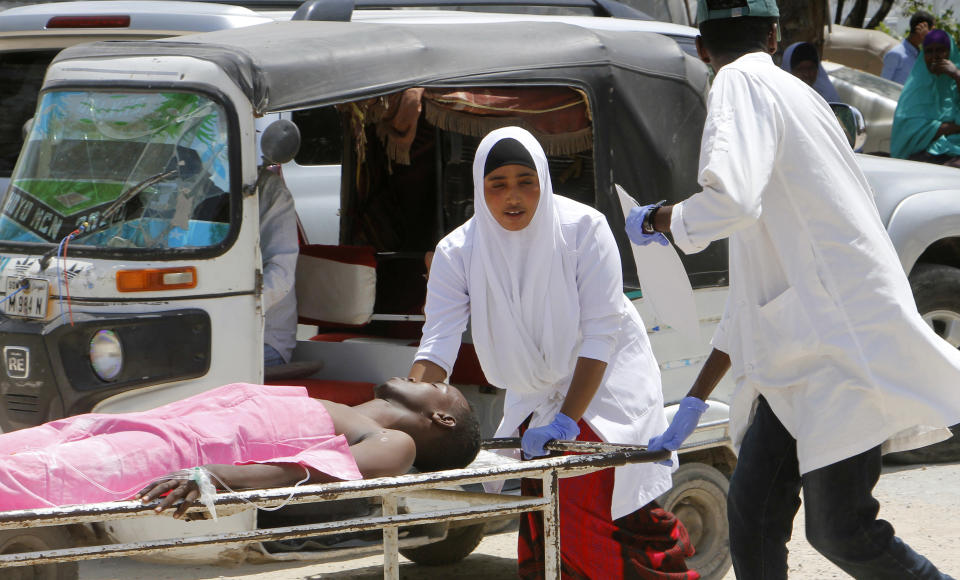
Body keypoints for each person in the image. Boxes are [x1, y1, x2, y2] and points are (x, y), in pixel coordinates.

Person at [625, 1, 960, 578]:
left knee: (841, 530)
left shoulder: (738, 83)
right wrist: (697, 398)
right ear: (776, 35)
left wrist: (663, 221)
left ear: (702, 49)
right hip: (800, 361)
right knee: (751, 517)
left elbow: (730, 199)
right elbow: (755, 300)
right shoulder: (800, 96)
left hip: (835, 356)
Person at [409, 126, 697, 579]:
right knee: (550, 523)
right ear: (479, 188)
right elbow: (438, 342)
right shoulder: (457, 250)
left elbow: (602, 334)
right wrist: (408, 412)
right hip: (533, 394)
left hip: (604, 388)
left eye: (526, 180)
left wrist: (566, 421)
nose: (513, 196)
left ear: (545, 178)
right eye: (497, 184)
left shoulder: (583, 228)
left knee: (595, 513)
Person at [0, 379, 480, 516]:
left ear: (442, 418)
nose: (429, 377)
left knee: (20, 480)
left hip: (175, 454)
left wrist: (217, 476)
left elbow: (316, 472)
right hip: (153, 425)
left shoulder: (394, 443)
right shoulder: (353, 411)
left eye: (442, 387)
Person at [890, 29, 960, 166]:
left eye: (940, 50)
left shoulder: (956, 80)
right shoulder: (916, 86)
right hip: (925, 153)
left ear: (950, 53)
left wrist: (956, 76)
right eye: (929, 51)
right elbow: (906, 127)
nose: (935, 57)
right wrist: (954, 127)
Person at [259, 170, 299, 367]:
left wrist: (229, 312)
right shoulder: (185, 187)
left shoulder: (267, 188)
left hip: (264, 340)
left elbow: (280, 273)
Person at [882, 10, 935, 85]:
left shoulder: (922, 56)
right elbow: (883, 84)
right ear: (921, 28)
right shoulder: (896, 54)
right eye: (932, 31)